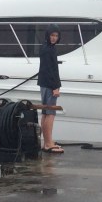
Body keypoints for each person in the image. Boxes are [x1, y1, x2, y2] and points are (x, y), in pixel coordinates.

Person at [38, 24, 63, 153]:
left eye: (56, 36)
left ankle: (46, 142)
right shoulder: (50, 50)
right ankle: (48, 143)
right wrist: (55, 87)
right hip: (49, 85)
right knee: (51, 114)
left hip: (43, 83)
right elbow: (51, 70)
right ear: (48, 35)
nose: (54, 38)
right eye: (52, 35)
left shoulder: (44, 47)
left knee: (45, 113)